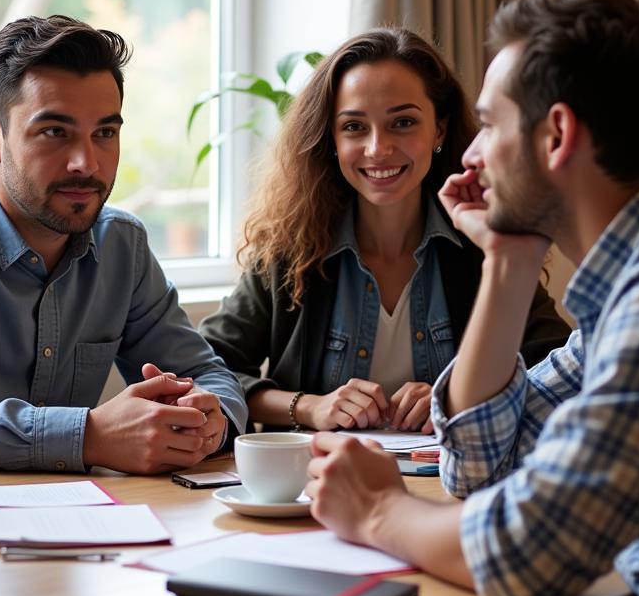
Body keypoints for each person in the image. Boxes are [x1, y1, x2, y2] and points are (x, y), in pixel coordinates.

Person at [307, 0, 639, 596]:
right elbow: (486, 466)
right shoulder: (630, 288)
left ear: (556, 135)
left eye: (487, 126)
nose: (469, 157)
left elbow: (534, 555)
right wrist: (508, 259)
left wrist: (379, 511)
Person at [0, 14, 247, 474]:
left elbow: (212, 377)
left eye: (105, 133)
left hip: (88, 520)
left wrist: (209, 420)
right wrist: (89, 436)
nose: (86, 162)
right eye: (55, 132)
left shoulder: (122, 244)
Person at [200, 28, 569, 436]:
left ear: (439, 130)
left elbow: (558, 370)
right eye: (355, 127)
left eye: (403, 122)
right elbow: (211, 367)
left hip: (453, 490)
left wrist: (457, 398)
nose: (378, 148)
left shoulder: (486, 243)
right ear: (332, 139)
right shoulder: (288, 249)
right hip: (318, 489)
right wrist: (308, 407)